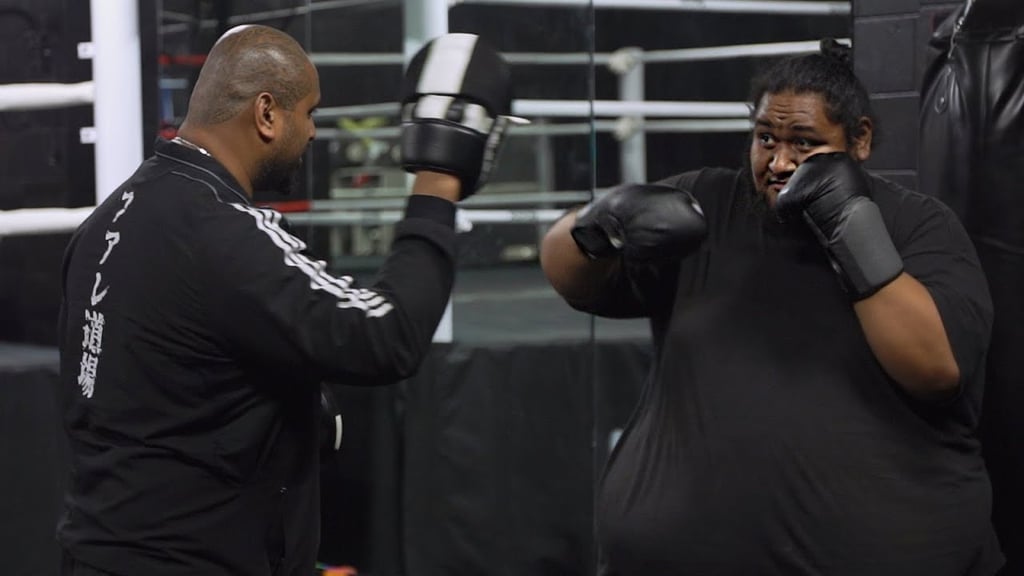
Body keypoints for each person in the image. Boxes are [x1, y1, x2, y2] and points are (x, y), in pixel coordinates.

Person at [57, 25, 515, 575]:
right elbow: (386, 334)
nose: (314, 131)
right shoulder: (223, 232)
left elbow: (148, 391)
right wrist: (439, 181)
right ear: (267, 113)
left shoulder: (110, 219)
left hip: (100, 552)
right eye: (310, 112)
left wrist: (282, 423)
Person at [541, 39, 1004, 575]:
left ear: (860, 141)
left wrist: (852, 232)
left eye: (804, 143)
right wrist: (594, 227)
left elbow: (935, 369)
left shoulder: (918, 225)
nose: (780, 162)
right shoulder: (708, 205)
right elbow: (569, 279)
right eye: (766, 138)